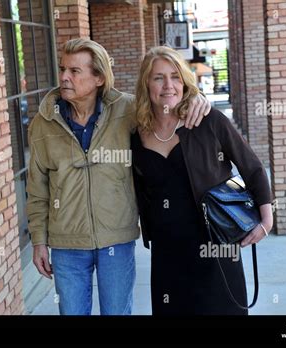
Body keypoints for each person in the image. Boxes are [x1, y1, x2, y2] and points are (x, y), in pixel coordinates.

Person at [26, 38, 211, 315]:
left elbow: (167, 102)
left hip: (117, 240)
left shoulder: (127, 110)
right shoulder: (44, 121)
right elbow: (37, 189)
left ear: (99, 77)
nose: (64, 77)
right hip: (66, 244)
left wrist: (196, 97)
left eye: (74, 71)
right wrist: (39, 240)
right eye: (63, 69)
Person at [131, 46, 273, 315]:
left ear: (184, 81)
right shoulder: (136, 134)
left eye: (175, 76)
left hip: (215, 246)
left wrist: (266, 220)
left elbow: (252, 167)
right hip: (167, 252)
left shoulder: (209, 121)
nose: (168, 85)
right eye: (158, 77)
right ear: (146, 84)